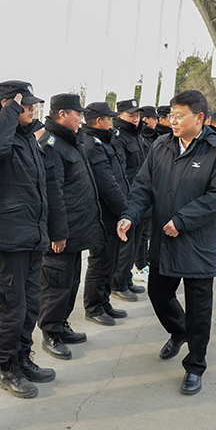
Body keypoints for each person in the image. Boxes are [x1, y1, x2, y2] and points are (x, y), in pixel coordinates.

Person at [117, 89, 216, 395]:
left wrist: (182, 220)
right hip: (163, 240)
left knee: (199, 309)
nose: (172, 121)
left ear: (199, 118)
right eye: (171, 115)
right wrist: (130, 215)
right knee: (158, 293)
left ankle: (195, 365)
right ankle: (179, 331)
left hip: (197, 243)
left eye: (179, 116)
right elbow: (143, 186)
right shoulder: (161, 146)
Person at [0, 81, 55, 399]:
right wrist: (10, 110)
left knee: (30, 305)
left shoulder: (28, 140)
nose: (33, 109)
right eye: (26, 104)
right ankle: (7, 367)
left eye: (34, 104)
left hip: (32, 238)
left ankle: (23, 358)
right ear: (9, 105)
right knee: (11, 307)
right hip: (6, 240)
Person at [37, 93, 105, 359]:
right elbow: (53, 194)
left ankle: (61, 324)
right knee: (55, 284)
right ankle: (50, 332)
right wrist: (58, 233)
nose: (81, 119)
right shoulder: (51, 145)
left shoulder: (71, 141)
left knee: (70, 282)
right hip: (61, 234)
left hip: (75, 229)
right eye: (78, 114)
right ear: (62, 114)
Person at [81, 102, 130, 326]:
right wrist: (125, 211)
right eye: (108, 118)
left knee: (110, 261)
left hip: (113, 212)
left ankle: (104, 301)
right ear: (99, 121)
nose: (111, 121)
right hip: (104, 214)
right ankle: (93, 307)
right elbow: (107, 184)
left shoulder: (103, 141)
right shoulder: (92, 144)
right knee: (100, 261)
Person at [111, 99, 146, 301]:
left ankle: (127, 278)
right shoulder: (118, 137)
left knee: (135, 242)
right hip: (129, 198)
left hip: (139, 197)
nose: (135, 119)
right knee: (126, 245)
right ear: (120, 116)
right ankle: (118, 284)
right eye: (131, 115)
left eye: (137, 115)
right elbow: (120, 172)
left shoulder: (136, 135)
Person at [134, 105, 164, 283]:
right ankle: (140, 265)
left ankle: (144, 262)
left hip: (153, 190)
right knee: (142, 234)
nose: (157, 121)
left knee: (148, 232)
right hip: (143, 191)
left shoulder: (153, 137)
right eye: (155, 118)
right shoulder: (141, 139)